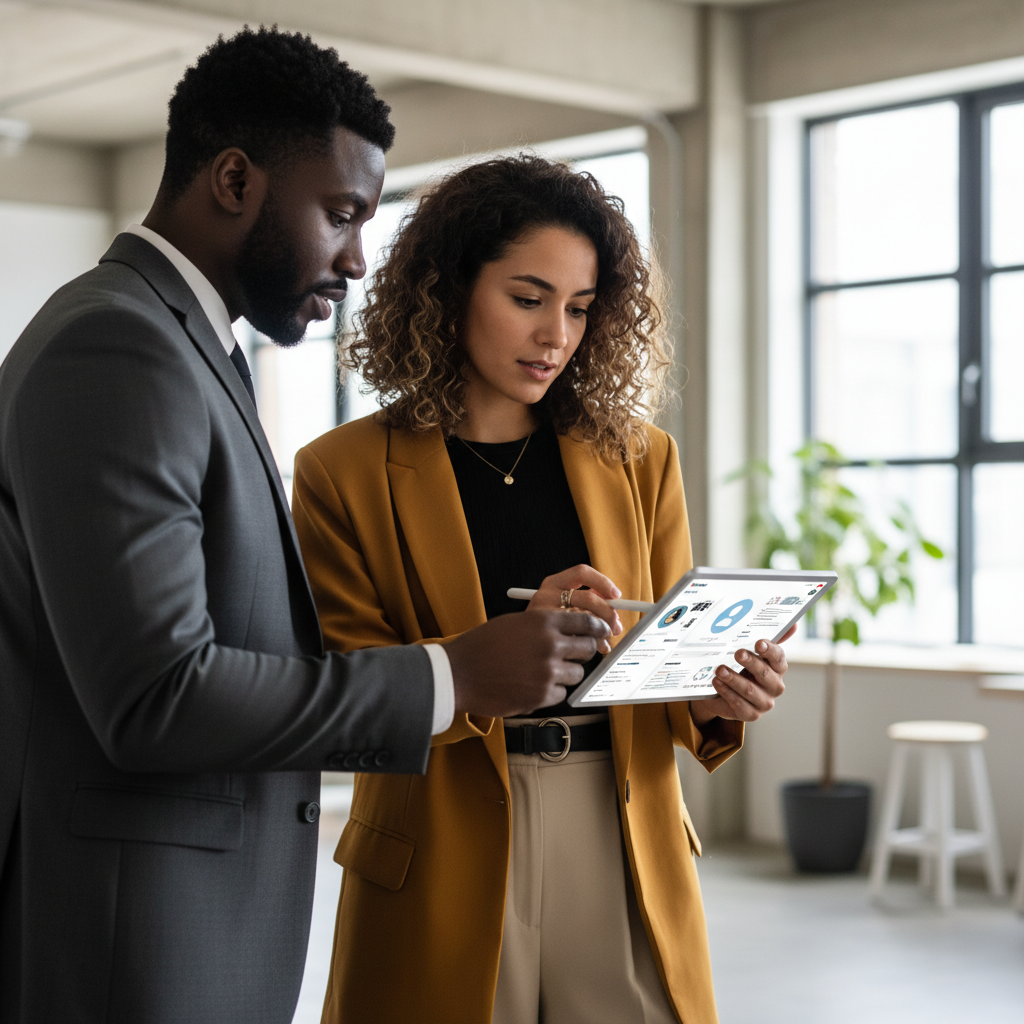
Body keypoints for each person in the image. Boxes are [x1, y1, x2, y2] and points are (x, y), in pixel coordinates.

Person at [0, 32, 609, 1024]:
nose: (359, 258)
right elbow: (156, 693)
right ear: (235, 180)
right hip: (130, 942)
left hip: (178, 926)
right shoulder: (118, 346)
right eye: (340, 213)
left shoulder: (185, 345)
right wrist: (454, 675)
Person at [292, 155, 792, 1024]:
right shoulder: (341, 472)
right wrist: (498, 649)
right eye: (527, 299)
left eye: (580, 308)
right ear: (448, 289)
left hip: (623, 833)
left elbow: (670, 672)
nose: (556, 334)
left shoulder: (642, 458)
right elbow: (349, 689)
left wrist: (723, 699)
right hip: (437, 841)